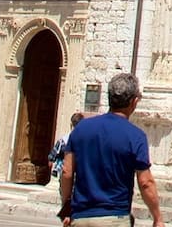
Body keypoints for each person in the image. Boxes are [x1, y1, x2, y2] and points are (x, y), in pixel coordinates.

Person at [58, 73, 165, 227]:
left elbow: (67, 171)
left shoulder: (81, 128)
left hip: (81, 216)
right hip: (114, 217)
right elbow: (145, 182)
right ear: (134, 102)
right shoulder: (135, 136)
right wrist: (157, 217)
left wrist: (66, 206)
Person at [51, 112, 87, 181]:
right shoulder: (86, 141)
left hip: (65, 173)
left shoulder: (64, 140)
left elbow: (52, 156)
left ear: (71, 125)